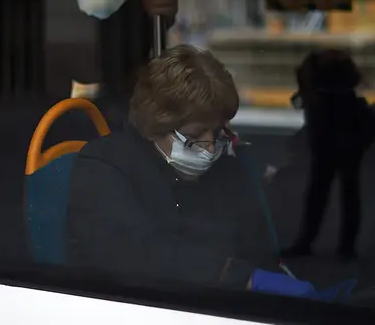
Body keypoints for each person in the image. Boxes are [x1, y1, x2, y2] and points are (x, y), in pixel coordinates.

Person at [66, 45, 271, 289]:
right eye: (194, 136)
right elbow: (136, 255)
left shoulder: (226, 172)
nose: (210, 148)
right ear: (155, 126)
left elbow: (256, 244)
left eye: (216, 133)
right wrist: (241, 277)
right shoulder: (104, 168)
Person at [281, 49, 375, 260]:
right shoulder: (342, 94)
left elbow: (309, 109)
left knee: (318, 192)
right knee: (349, 192)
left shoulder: (319, 97)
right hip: (349, 142)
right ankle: (346, 246)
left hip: (328, 144)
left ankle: (307, 242)